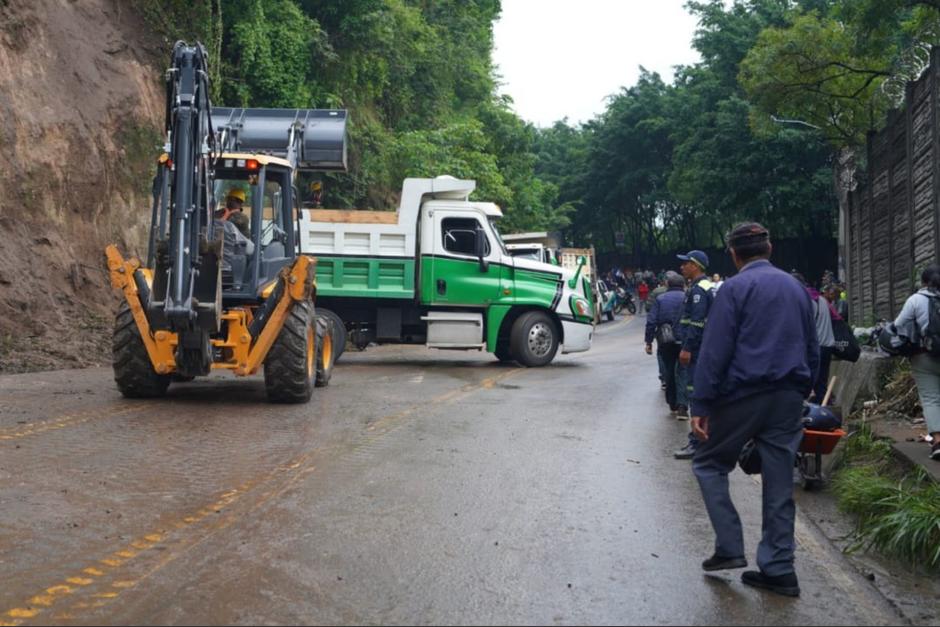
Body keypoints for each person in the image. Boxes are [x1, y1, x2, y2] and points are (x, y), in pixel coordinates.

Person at [690, 222, 818, 598]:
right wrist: (803, 388)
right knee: (779, 480)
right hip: (788, 396)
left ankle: (729, 548)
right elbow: (812, 346)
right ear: (770, 249)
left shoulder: (733, 288)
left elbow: (715, 351)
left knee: (709, 462)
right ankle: (779, 569)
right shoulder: (796, 288)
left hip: (744, 394)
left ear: (733, 254)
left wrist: (701, 403)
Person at [893, 264, 940, 460]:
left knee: (931, 398)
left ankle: (938, 442)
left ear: (922, 282)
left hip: (924, 356)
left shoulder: (915, 300)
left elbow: (898, 326)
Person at [673, 250, 715, 458]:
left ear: (695, 266)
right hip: (703, 349)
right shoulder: (704, 287)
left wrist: (687, 348)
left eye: (686, 263)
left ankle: (697, 442)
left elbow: (696, 323)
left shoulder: (699, 290)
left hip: (697, 350)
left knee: (695, 392)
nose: (682, 267)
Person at [645, 272, 687, 412]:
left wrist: (649, 341)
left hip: (666, 340)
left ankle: (672, 402)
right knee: (683, 370)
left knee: (669, 370)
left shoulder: (661, 299)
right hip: (685, 340)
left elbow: (651, 321)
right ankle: (683, 404)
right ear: (684, 285)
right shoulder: (688, 298)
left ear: (668, 284)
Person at [793, 273, 835, 403]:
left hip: (817, 347)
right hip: (828, 345)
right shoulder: (822, 300)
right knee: (821, 383)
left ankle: (817, 415)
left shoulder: (807, 300)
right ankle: (825, 411)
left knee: (812, 384)